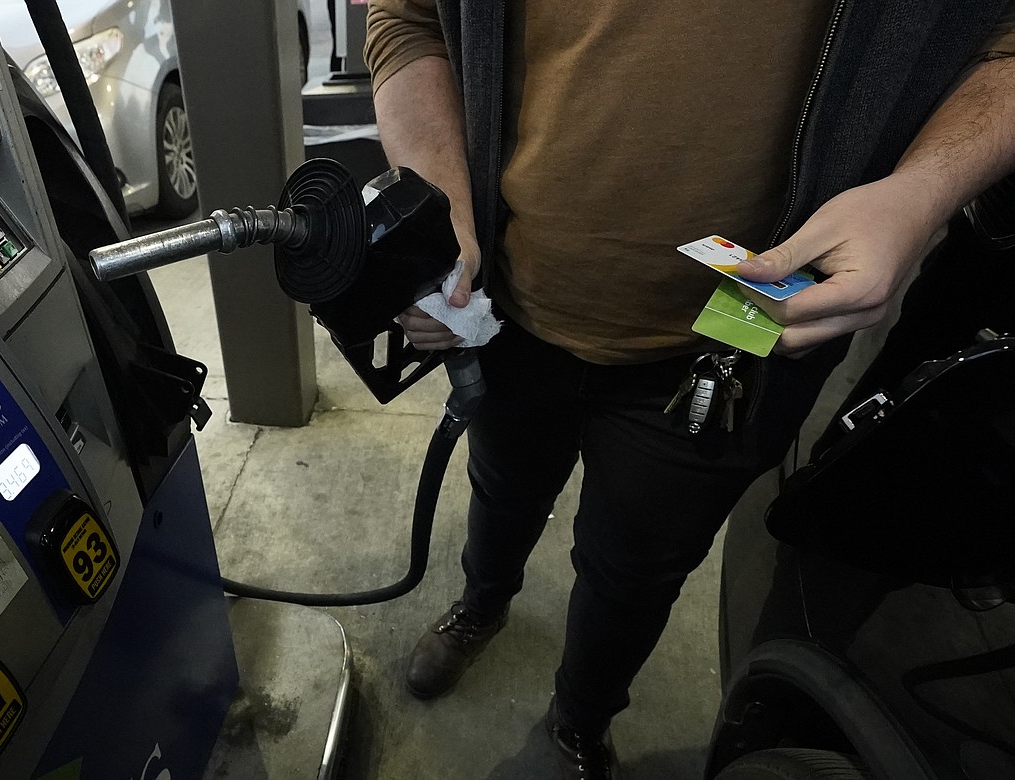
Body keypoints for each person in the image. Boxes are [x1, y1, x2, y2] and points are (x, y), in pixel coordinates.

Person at [363, 2, 1015, 777]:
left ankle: (580, 721)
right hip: (509, 306)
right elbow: (409, 18)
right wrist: (441, 207)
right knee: (502, 487)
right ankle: (483, 602)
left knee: (635, 570)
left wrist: (924, 189)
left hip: (737, 336)